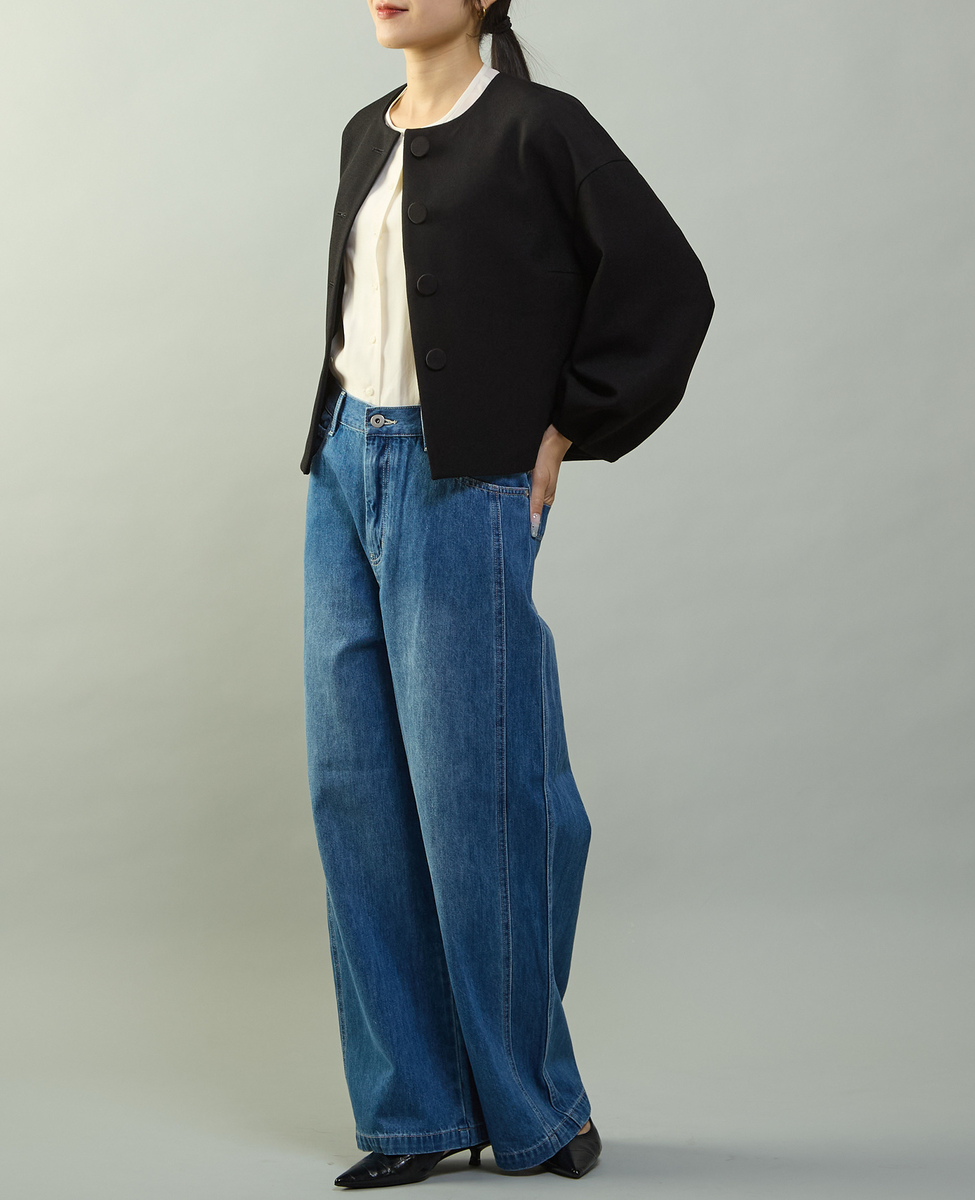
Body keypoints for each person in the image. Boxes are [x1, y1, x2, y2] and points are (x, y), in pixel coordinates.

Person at [301, 0, 714, 1188]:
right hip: (342, 471)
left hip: (461, 480)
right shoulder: (364, 131)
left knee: (480, 800)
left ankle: (536, 1109)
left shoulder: (539, 127)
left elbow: (669, 287)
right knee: (356, 794)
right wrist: (338, 446)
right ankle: (413, 1113)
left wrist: (566, 427)